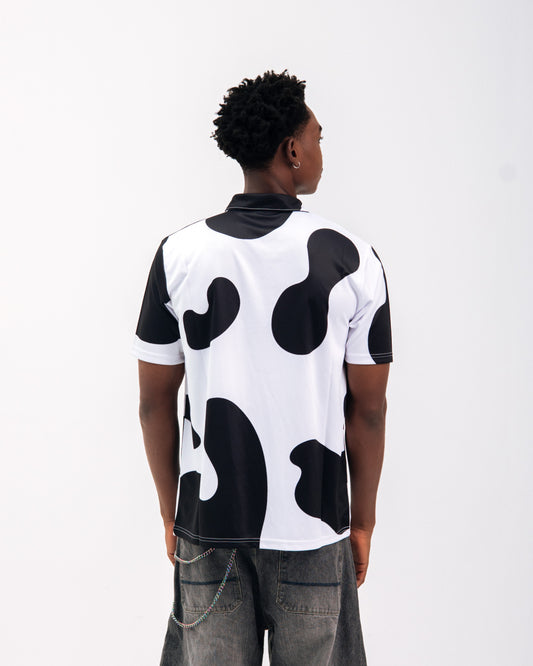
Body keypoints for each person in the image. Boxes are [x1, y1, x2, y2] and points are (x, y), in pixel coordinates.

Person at [131, 69, 393, 666]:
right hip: (314, 531)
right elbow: (369, 411)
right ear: (292, 150)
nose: (321, 151)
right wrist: (363, 523)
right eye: (318, 138)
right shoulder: (351, 258)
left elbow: (153, 403)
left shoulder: (179, 254)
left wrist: (172, 512)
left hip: (208, 527)